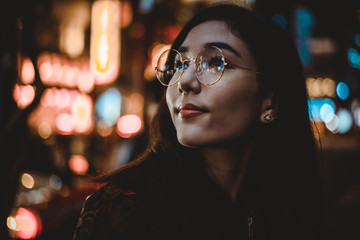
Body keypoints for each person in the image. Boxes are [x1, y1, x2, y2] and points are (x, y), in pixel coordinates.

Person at [74, 3, 324, 240]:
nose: (184, 81)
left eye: (216, 63)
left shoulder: (288, 211)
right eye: (179, 64)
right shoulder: (122, 211)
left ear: (270, 102)